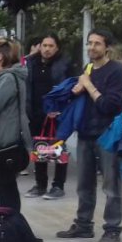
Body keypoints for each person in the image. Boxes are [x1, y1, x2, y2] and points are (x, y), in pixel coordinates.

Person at [56, 28, 122, 242]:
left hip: (107, 134)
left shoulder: (116, 71)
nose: (91, 47)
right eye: (89, 43)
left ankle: (112, 228)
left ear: (107, 47)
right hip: (85, 133)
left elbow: (111, 105)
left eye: (97, 43)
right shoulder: (87, 68)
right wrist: (76, 90)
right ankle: (83, 225)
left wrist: (88, 86)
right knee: (84, 183)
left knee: (111, 184)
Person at [0, 39, 32, 211]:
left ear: (0, 57)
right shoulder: (9, 77)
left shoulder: (7, 79)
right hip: (7, 138)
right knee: (6, 187)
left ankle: (12, 227)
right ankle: (11, 226)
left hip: (5, 141)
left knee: (6, 188)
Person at [25, 33, 74, 199]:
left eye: (50, 46)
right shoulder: (31, 62)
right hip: (36, 112)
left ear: (57, 47)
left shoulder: (65, 64)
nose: (46, 49)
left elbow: (72, 86)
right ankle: (40, 184)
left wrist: (62, 107)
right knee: (39, 148)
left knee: (58, 148)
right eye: (44, 45)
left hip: (57, 114)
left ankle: (58, 185)